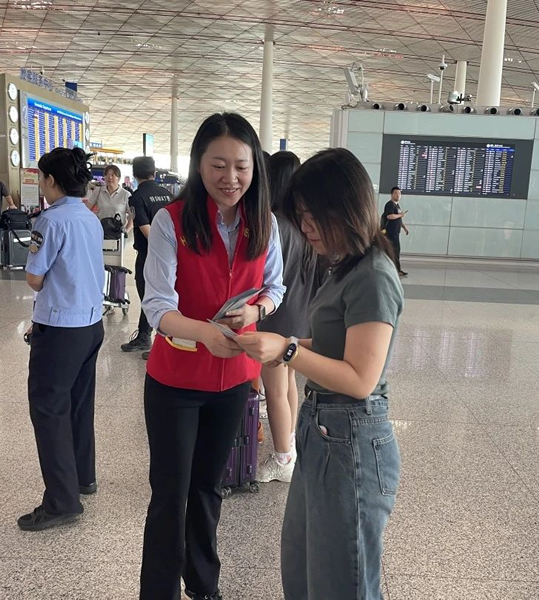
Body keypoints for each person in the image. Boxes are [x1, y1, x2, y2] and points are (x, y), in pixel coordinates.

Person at [236, 148, 403, 600]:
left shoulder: (373, 276)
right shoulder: (344, 267)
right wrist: (282, 345)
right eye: (301, 215)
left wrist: (288, 349)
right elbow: (333, 346)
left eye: (312, 215)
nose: (305, 226)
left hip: (352, 440)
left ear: (344, 207)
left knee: (341, 581)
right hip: (324, 430)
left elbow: (360, 379)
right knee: (304, 568)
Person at [139, 112, 285, 600]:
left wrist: (257, 310)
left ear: (255, 168)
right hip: (176, 381)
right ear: (198, 164)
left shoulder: (264, 223)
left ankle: (204, 586)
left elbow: (275, 287)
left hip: (234, 379)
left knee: (207, 489)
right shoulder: (172, 221)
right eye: (218, 165)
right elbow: (158, 306)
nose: (230, 178)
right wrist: (204, 332)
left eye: (241, 166)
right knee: (170, 494)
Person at [18, 147, 105, 532]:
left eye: (41, 178)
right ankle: (83, 477)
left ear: (51, 180)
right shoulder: (90, 218)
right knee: (78, 404)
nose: (41, 184)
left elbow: (34, 279)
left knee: (49, 408)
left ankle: (61, 501)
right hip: (91, 325)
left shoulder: (50, 221)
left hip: (60, 328)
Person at [257, 151, 318, 483]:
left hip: (277, 318)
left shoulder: (274, 224)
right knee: (290, 383)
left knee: (275, 391)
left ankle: (282, 458)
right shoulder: (304, 225)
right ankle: (290, 446)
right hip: (301, 315)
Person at [121, 157, 172, 355]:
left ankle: (160, 342)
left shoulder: (137, 197)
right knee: (166, 295)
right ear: (155, 173)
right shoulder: (167, 194)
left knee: (148, 297)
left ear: (134, 174)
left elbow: (145, 228)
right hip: (172, 255)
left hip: (149, 254)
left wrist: (159, 251)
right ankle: (145, 335)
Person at [86, 164, 133, 233]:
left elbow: (132, 216)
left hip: (118, 233)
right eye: (107, 174)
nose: (109, 177)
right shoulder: (98, 191)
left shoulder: (126, 194)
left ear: (119, 178)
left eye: (112, 175)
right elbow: (87, 209)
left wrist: (125, 232)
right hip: (101, 231)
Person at [384, 186, 409, 277]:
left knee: (396, 250)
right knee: (394, 250)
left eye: (399, 193)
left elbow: (399, 219)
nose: (398, 195)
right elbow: (390, 216)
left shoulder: (397, 205)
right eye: (396, 193)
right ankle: (396, 270)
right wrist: (400, 215)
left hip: (396, 232)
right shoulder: (390, 205)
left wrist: (404, 227)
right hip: (390, 232)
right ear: (392, 194)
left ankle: (396, 269)